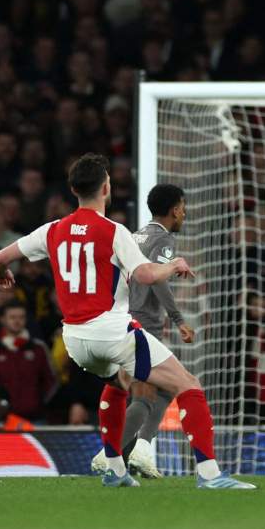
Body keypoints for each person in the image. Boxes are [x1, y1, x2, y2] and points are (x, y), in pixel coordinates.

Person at [0, 153, 254, 489]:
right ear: (106, 188)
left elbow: (2, 256)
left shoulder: (52, 230)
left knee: (118, 384)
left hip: (75, 340)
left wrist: (1, 272)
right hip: (111, 330)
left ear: (73, 189)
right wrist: (173, 266)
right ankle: (210, 474)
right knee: (188, 385)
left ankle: (115, 469)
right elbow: (145, 275)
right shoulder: (114, 231)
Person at [90, 183, 194, 478]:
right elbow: (157, 280)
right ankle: (111, 455)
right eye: (183, 208)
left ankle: (130, 456)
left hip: (120, 319)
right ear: (175, 210)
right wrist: (178, 319)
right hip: (144, 324)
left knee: (158, 390)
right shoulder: (163, 239)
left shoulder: (135, 235)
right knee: (152, 392)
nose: (184, 214)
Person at [0, 301, 57, 421]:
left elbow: (52, 381)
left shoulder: (39, 348)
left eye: (21, 317)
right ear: (2, 319)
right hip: (2, 420)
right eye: (12, 317)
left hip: (35, 418)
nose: (17, 321)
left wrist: (40, 404)